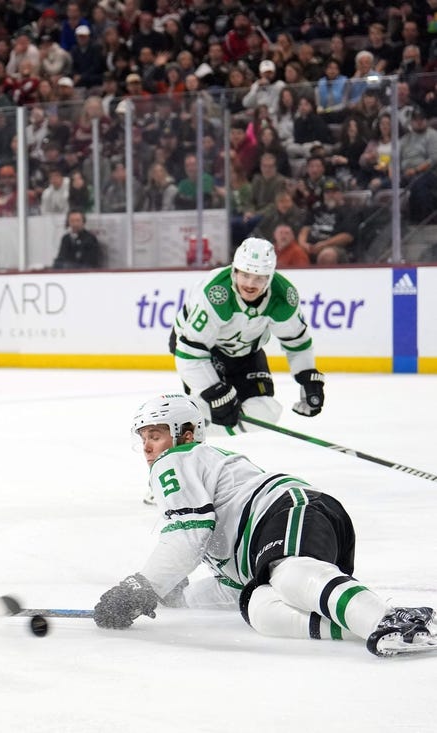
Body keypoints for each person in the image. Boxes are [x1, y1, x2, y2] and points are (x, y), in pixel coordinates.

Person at [94, 393, 437, 658]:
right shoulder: (190, 472)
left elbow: (186, 537)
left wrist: (140, 588)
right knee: (259, 608)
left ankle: (384, 620)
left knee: (288, 575)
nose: (147, 448)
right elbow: (228, 586)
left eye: (155, 435)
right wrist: (178, 596)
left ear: (185, 435)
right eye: (143, 439)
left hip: (290, 511)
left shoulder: (179, 458)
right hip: (274, 541)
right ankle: (386, 626)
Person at [169, 237, 324, 429]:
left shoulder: (283, 297)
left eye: (259, 277)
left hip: (247, 351)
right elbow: (189, 353)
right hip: (203, 349)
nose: (250, 284)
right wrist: (213, 392)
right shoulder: (216, 294)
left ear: (270, 278)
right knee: (209, 409)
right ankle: (186, 431)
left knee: (265, 413)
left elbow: (297, 342)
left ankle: (215, 432)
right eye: (245, 274)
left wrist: (307, 376)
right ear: (234, 271)